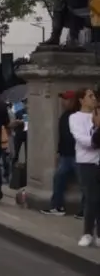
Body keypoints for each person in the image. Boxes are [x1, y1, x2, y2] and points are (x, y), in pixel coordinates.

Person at [69, 89, 100, 246]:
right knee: (91, 198)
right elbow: (84, 141)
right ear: (81, 100)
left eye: (94, 96)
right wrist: (96, 129)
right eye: (90, 96)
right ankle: (87, 233)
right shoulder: (75, 118)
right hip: (86, 162)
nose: (94, 98)